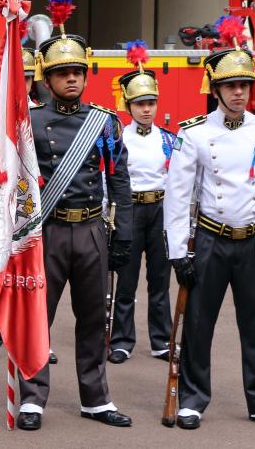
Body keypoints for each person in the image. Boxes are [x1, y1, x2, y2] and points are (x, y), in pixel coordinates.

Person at [164, 17, 255, 431]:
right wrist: (177, 251)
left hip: (254, 241)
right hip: (209, 239)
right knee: (199, 324)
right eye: (231, 86)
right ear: (216, 88)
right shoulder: (196, 134)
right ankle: (192, 399)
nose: (239, 93)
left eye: (245, 85)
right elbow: (178, 195)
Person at [16, 0, 132, 431]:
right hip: (46, 232)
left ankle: (96, 398)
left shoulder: (103, 122)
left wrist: (123, 235)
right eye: (62, 73)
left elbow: (118, 178)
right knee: (37, 318)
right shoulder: (30, 121)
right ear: (47, 79)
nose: (70, 79)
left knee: (93, 317)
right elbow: (19, 180)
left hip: (90, 231)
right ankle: (32, 398)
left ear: (85, 76)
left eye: (77, 72)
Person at [0, 47, 60, 365]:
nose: (24, 83)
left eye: (29, 77)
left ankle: (35, 338)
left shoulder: (45, 114)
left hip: (33, 208)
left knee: (34, 274)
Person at [108, 41, 175, 365]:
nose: (146, 109)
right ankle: (121, 340)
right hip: (131, 211)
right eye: (139, 104)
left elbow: (179, 181)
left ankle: (162, 340)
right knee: (127, 280)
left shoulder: (169, 139)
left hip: (160, 212)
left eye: (150, 103)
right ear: (129, 106)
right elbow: (113, 179)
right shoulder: (120, 138)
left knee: (160, 281)